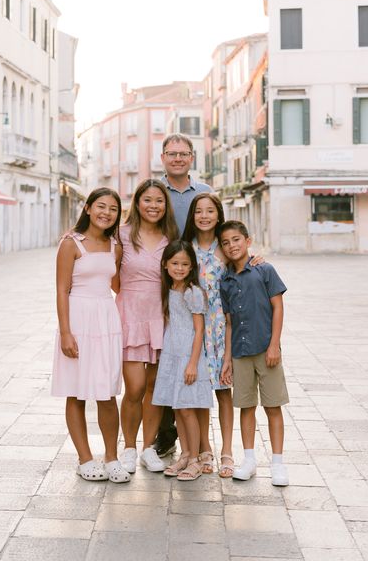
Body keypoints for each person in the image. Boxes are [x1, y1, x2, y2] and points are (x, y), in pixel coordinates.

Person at [51, 188, 130, 484]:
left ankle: (111, 457)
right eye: (100, 206)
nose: (106, 213)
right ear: (87, 208)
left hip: (106, 320)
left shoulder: (114, 246)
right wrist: (66, 332)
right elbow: (61, 289)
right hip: (78, 320)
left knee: (107, 392)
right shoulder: (71, 243)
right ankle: (84, 458)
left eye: (112, 209)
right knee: (77, 391)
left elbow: (119, 286)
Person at [219, 220, 290, 487]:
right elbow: (228, 322)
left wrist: (274, 344)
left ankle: (278, 463)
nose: (231, 246)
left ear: (247, 241)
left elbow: (278, 308)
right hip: (240, 351)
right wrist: (227, 359)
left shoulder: (264, 270)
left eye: (236, 240)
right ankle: (248, 459)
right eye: (225, 243)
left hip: (265, 348)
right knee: (246, 407)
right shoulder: (225, 280)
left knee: (273, 406)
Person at [155, 133, 212, 457]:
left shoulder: (204, 193)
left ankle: (200, 443)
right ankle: (166, 433)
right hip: (164, 280)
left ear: (192, 157)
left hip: (196, 282)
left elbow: (220, 230)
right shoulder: (155, 191)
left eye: (183, 153)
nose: (177, 158)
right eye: (171, 153)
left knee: (195, 363)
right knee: (165, 358)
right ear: (163, 157)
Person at [116, 179, 178, 474]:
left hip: (161, 317)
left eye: (159, 201)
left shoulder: (171, 236)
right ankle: (128, 447)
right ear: (137, 203)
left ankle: (148, 448)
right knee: (135, 388)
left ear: (165, 206)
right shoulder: (122, 234)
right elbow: (111, 274)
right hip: (130, 315)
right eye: (147, 200)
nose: (153, 206)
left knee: (156, 387)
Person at [181, 192, 235, 478]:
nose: (204, 216)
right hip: (196, 328)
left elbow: (246, 268)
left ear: (218, 214)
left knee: (224, 390)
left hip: (222, 327)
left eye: (209, 211)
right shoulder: (186, 249)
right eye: (199, 211)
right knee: (200, 391)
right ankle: (205, 449)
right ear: (192, 216)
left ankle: (227, 450)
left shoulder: (225, 249)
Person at [152, 240, 213, 480]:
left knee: (188, 409)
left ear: (191, 267)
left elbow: (199, 330)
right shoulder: (169, 289)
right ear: (165, 264)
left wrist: (192, 363)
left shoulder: (192, 292)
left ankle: (196, 459)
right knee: (177, 408)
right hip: (172, 353)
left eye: (185, 264)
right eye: (175, 263)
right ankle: (185, 454)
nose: (179, 268)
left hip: (189, 355)